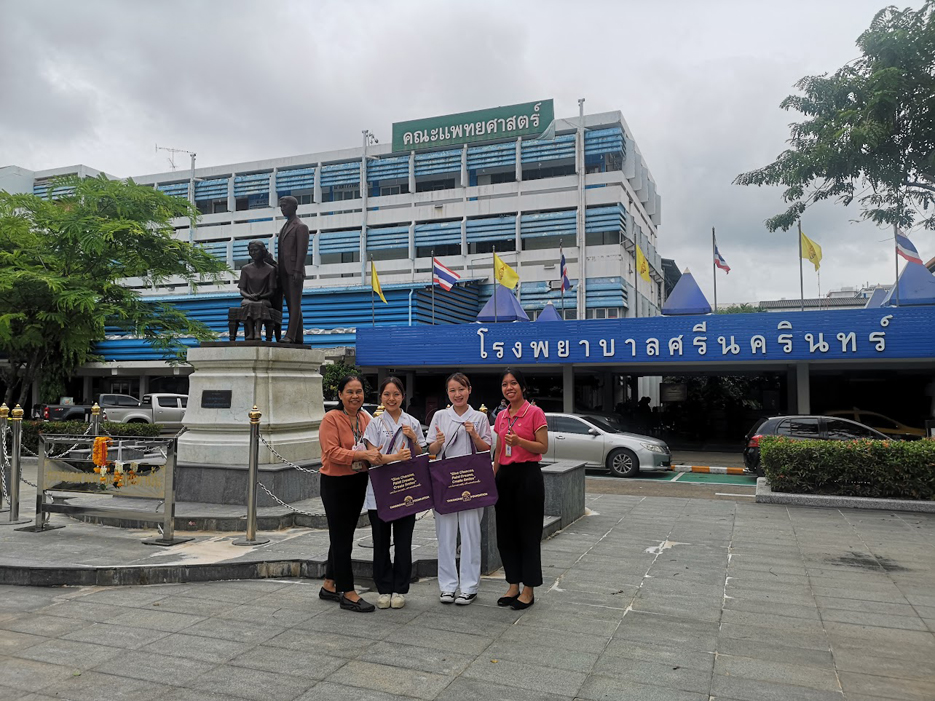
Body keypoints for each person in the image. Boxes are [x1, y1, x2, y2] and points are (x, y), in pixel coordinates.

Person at [427, 373, 492, 605]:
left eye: (461, 389)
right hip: (445, 482)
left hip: (471, 482)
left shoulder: (480, 417)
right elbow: (431, 449)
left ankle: (469, 586)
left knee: (471, 534)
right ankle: (447, 586)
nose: (457, 394)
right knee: (445, 535)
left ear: (470, 390)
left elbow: (486, 450)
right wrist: (439, 442)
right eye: (452, 390)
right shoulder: (439, 416)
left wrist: (474, 434)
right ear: (448, 393)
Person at [318, 375, 381, 613]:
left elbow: (374, 445)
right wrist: (363, 455)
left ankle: (329, 585)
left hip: (357, 480)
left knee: (343, 534)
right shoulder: (331, 419)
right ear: (341, 395)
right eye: (350, 392)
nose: (355, 396)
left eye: (359, 391)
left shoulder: (365, 417)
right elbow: (332, 452)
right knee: (342, 537)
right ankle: (348, 592)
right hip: (335, 483)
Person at [362, 377, 426, 610]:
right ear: (381, 397)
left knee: (403, 541)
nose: (391, 399)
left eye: (396, 394)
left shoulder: (412, 422)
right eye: (387, 394)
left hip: (405, 489)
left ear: (402, 396)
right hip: (380, 490)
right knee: (380, 542)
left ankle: (400, 587)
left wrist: (412, 439)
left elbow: (419, 454)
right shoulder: (375, 425)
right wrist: (396, 458)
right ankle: (383, 588)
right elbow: (373, 457)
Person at [493, 367, 548, 611]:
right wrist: (492, 481)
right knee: (506, 535)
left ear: (523, 386)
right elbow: (497, 451)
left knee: (528, 534)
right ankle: (513, 584)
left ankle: (529, 589)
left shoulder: (534, 412)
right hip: (504, 477)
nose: (509, 388)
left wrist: (520, 442)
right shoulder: (501, 416)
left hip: (528, 477)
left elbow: (542, 447)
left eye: (513, 383)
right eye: (505, 384)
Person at [276, 196, 310, 343]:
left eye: (284, 206)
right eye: (281, 206)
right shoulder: (285, 226)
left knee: (295, 304)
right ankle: (298, 337)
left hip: (294, 271)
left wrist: (297, 271)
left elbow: (302, 251)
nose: (282, 208)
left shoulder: (300, 227)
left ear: (294, 207)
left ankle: (290, 336)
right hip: (283, 270)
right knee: (291, 304)